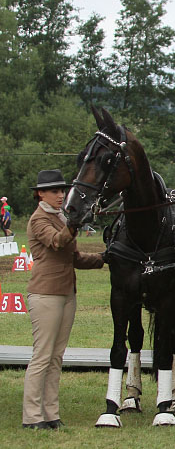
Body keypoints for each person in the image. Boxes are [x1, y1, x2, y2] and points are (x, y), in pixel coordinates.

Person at [23, 170, 104, 430]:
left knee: (56, 357)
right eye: (55, 191)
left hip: (66, 293)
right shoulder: (39, 219)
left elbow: (75, 258)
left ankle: (51, 414)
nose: (60, 195)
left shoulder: (59, 217)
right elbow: (57, 243)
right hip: (46, 294)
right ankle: (32, 416)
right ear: (40, 194)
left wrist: (105, 257)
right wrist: (73, 224)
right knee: (42, 356)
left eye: (62, 190)